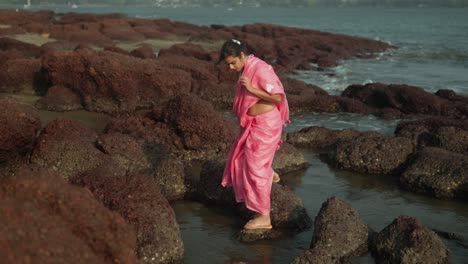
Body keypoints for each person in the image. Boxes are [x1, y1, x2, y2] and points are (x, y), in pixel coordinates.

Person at [219, 39, 289, 230]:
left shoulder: (260, 69)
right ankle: (270, 173)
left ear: (242, 55)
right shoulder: (248, 67)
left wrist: (251, 89)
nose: (232, 67)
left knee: (255, 169)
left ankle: (264, 216)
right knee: (243, 160)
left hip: (265, 126)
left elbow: (277, 97)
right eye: (228, 64)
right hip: (255, 125)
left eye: (233, 62)